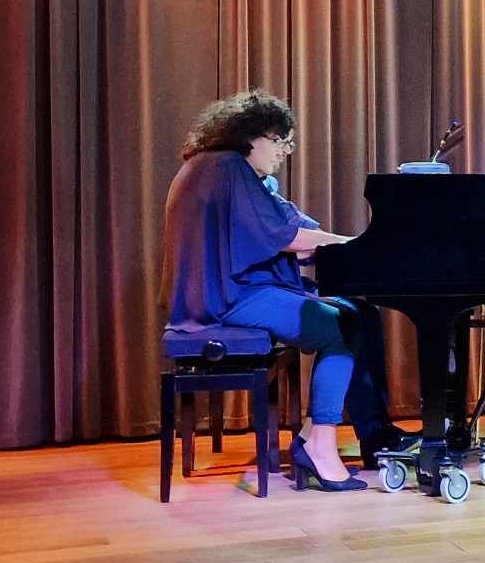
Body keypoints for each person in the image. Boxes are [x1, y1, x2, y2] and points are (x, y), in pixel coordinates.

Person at [160, 89, 411, 492]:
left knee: (359, 312)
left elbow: (288, 228)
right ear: (250, 136)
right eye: (279, 141)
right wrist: (352, 244)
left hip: (230, 291)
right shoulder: (227, 168)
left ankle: (365, 435)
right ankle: (320, 445)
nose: (284, 151)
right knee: (340, 327)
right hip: (226, 299)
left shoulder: (220, 169)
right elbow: (286, 236)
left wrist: (342, 243)